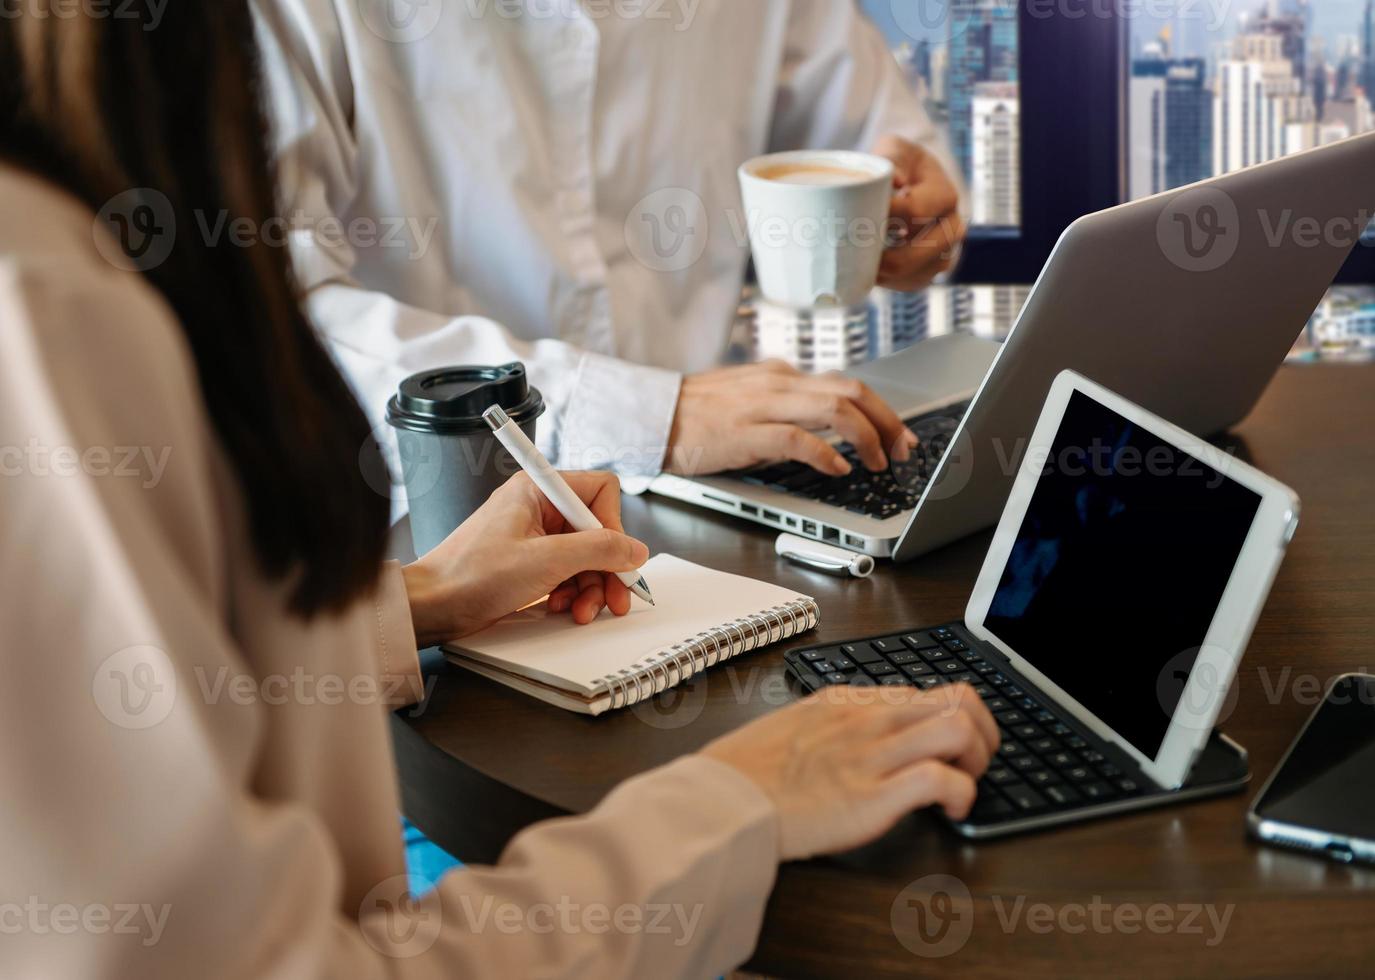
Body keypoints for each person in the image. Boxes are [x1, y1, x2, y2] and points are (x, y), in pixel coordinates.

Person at [0, 6, 998, 977]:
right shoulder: (44, 311)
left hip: (544, 571)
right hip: (453, 570)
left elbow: (174, 672)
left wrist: (418, 600)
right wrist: (734, 802)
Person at [249, 0, 968, 491]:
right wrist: (639, 415)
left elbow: (880, 144)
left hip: (703, 498)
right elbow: (276, 321)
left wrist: (912, 216)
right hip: (417, 525)